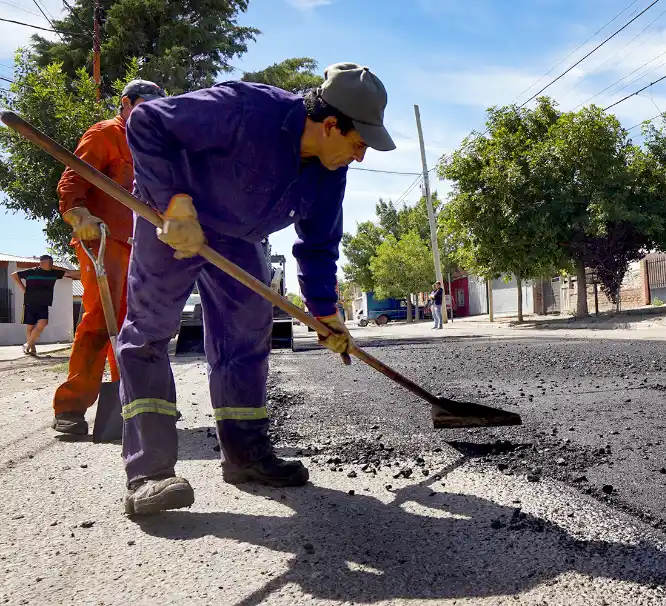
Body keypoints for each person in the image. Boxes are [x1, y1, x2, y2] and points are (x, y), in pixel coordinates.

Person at [118, 63, 395, 515]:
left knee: (246, 339)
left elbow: (319, 244)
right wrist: (174, 201)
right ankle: (149, 474)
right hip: (171, 219)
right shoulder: (247, 108)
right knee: (148, 332)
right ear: (329, 125)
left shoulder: (329, 171)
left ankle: (245, 456)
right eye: (358, 143)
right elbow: (148, 121)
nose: (360, 157)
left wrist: (325, 312)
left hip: (240, 238)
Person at [50, 80, 166, 436]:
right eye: (144, 106)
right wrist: (79, 216)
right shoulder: (104, 134)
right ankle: (70, 408)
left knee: (137, 325)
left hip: (141, 246)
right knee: (101, 320)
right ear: (126, 104)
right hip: (104, 242)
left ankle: (131, 404)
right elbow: (72, 179)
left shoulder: (153, 147)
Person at [11, 255, 77, 355]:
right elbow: (14, 275)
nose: (51, 265)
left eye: (52, 263)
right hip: (30, 302)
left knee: (43, 324)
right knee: (30, 326)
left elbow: (71, 273)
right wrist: (23, 289)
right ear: (41, 263)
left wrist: (56, 267)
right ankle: (32, 348)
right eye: (48, 263)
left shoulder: (54, 273)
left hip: (44, 303)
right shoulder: (32, 271)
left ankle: (27, 344)